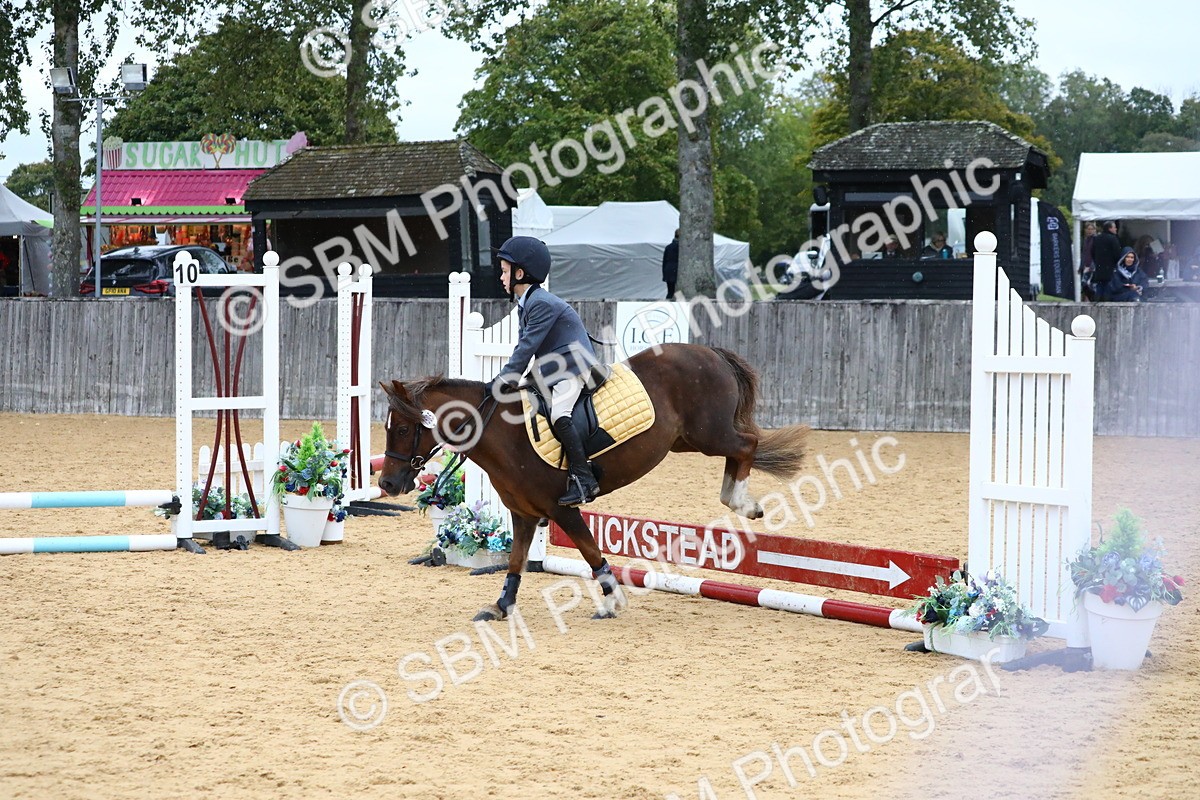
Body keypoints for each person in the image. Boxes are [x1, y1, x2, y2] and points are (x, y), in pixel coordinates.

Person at [492, 236, 601, 506]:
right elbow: (524, 346)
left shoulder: (540, 303)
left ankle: (584, 479)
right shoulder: (526, 303)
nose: (501, 277)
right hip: (554, 367)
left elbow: (526, 348)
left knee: (560, 413)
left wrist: (503, 379)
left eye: (505, 271)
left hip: (574, 367)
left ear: (520, 273)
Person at [1092, 221, 1122, 286]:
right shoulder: (1113, 239)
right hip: (1110, 270)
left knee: (1099, 289)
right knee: (1108, 290)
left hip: (1099, 269)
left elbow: (1092, 252)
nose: (1116, 229)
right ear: (1109, 228)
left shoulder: (1097, 238)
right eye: (1114, 227)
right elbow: (1117, 254)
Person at [661, 229, 679, 297]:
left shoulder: (668, 247)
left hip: (668, 271)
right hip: (675, 271)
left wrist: (664, 274)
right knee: (676, 293)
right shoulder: (680, 247)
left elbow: (664, 261)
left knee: (670, 291)